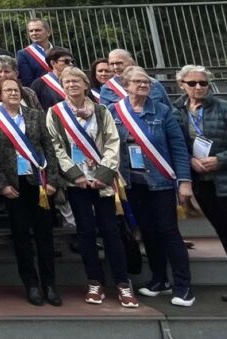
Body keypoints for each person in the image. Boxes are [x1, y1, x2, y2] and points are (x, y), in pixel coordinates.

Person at [45, 66, 138, 307]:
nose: (72, 85)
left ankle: (122, 282)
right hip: (77, 182)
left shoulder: (101, 110)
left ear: (86, 84)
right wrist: (75, 175)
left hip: (102, 180)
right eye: (67, 81)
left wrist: (104, 173)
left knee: (111, 231)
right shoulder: (55, 112)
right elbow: (56, 147)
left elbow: (112, 141)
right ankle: (94, 281)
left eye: (76, 80)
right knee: (85, 232)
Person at [112, 66, 194, 306]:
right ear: (126, 85)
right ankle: (160, 279)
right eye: (137, 82)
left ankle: (183, 286)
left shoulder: (162, 111)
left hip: (160, 180)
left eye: (146, 82)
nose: (143, 85)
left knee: (169, 231)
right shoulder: (113, 111)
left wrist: (184, 181)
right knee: (147, 231)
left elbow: (178, 148)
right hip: (131, 182)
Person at [0, 77, 61, 306]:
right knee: (21, 238)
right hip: (14, 186)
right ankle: (32, 284)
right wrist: (3, 184)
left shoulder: (36, 116)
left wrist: (53, 181)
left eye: (16, 90)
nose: (13, 93)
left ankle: (50, 284)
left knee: (45, 236)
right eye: (7, 90)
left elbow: (50, 148)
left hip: (40, 183)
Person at [173, 65, 227, 308]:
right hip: (204, 185)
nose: (198, 87)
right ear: (182, 84)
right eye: (192, 83)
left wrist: (220, 160)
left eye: (203, 83)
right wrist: (191, 161)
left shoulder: (226, 109)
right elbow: (178, 144)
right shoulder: (177, 112)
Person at [100, 49, 171, 108]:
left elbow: (170, 111)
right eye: (112, 64)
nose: (115, 67)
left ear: (132, 63)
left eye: (119, 63)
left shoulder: (153, 83)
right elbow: (104, 117)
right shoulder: (107, 88)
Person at [17, 18, 55, 87]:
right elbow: (27, 82)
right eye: (31, 31)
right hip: (40, 94)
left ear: (48, 32)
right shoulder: (23, 54)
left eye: (38, 30)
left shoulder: (63, 51)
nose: (34, 33)